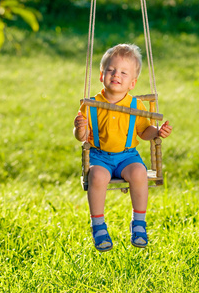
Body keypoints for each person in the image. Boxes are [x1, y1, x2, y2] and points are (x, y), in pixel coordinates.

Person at [73, 43, 172, 252]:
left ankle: (139, 223)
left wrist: (157, 132)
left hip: (127, 156)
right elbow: (82, 138)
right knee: (97, 177)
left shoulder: (136, 106)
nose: (116, 75)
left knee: (139, 172)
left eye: (124, 73)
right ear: (102, 75)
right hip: (99, 156)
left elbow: (144, 132)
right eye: (111, 70)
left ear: (132, 82)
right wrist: (79, 129)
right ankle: (98, 225)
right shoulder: (91, 104)